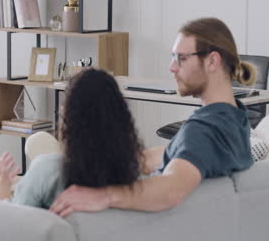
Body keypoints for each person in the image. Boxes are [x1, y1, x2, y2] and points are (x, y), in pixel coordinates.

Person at [49, 17, 257, 217]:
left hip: (131, 224)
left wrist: (104, 195)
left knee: (47, 167)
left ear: (212, 61)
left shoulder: (203, 131)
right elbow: (178, 151)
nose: (172, 67)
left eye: (181, 58)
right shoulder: (234, 119)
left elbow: (171, 189)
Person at [0, 68, 146, 208]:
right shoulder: (133, 175)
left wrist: (3, 187)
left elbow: (16, 225)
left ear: (70, 117)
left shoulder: (48, 170)